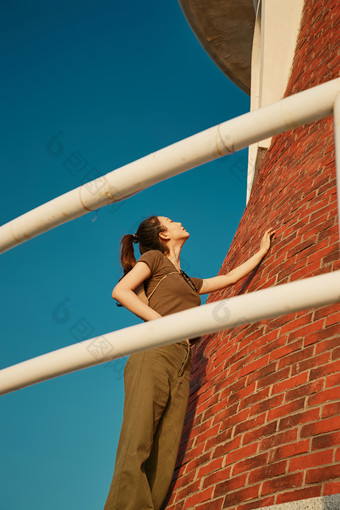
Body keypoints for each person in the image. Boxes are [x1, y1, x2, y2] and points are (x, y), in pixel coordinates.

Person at [104, 215, 275, 510]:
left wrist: (261, 252)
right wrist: (162, 323)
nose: (179, 222)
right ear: (163, 235)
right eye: (171, 221)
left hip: (183, 359)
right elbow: (121, 291)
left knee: (166, 452)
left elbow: (228, 279)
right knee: (138, 441)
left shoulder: (185, 279)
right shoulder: (154, 258)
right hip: (154, 350)